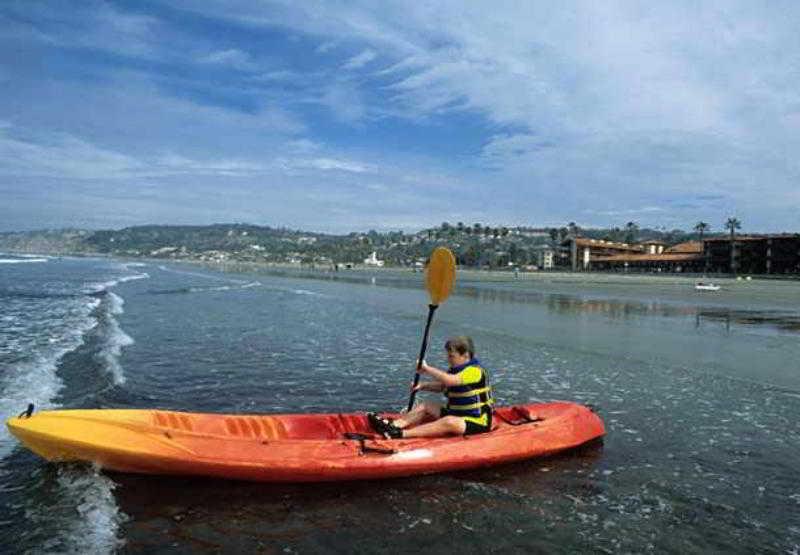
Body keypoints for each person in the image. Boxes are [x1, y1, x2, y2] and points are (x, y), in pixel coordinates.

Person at [369, 336, 494, 439]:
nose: (448, 359)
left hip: (477, 421)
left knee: (449, 421)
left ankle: (401, 434)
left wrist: (427, 368)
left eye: (452, 356)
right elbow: (442, 386)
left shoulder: (474, 371)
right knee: (425, 406)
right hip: (458, 414)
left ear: (465, 355)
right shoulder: (456, 370)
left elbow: (450, 381)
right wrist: (422, 386)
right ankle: (394, 425)